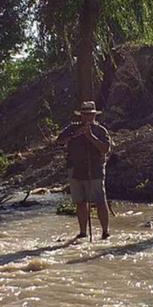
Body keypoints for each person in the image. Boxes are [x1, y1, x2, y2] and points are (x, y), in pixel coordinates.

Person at [57, 101, 113, 240]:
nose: (87, 117)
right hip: (75, 170)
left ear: (94, 115)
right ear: (81, 115)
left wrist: (91, 137)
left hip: (95, 170)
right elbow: (59, 141)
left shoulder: (100, 130)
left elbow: (105, 149)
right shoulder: (72, 128)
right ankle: (83, 232)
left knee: (100, 201)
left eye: (90, 114)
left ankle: (105, 231)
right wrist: (76, 134)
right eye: (85, 114)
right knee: (80, 202)